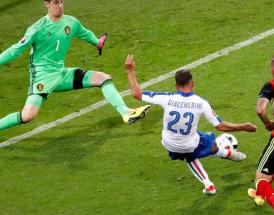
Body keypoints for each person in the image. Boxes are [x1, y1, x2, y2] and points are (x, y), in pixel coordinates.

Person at [0, 0, 151, 131]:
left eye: (61, 2)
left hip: (61, 73)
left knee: (103, 78)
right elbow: (15, 50)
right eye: (55, 3)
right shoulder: (37, 29)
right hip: (42, 77)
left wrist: (98, 43)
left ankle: (126, 113)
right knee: (28, 116)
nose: (60, 6)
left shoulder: (71, 23)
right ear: (46, 4)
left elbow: (86, 34)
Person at [125, 54, 257, 195]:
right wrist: (243, 126)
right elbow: (220, 126)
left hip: (168, 143)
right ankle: (229, 154)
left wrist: (130, 71)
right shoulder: (201, 103)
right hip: (188, 143)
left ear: (176, 86)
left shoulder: (167, 98)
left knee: (191, 150)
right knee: (208, 142)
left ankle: (209, 185)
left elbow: (137, 94)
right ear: (192, 83)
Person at [248, 57, 274, 209]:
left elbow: (260, 110)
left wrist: (268, 124)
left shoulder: (271, 85)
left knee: (261, 179)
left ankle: (263, 192)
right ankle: (260, 194)